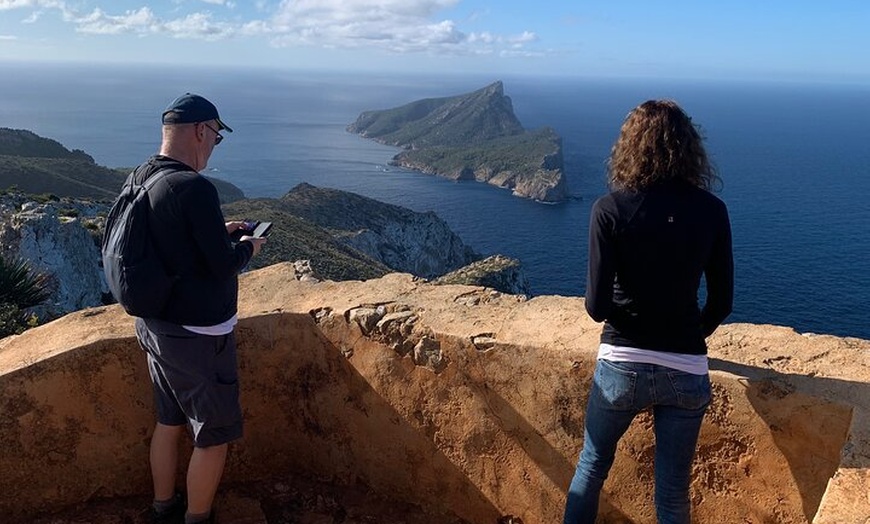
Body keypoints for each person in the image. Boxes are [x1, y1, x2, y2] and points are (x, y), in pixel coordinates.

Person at [563, 100, 733, 524]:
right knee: (672, 495)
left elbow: (596, 307)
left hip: (621, 364)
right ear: (689, 147)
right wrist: (687, 334)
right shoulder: (712, 211)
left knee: (591, 467)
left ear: (630, 147)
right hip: (686, 367)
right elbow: (721, 303)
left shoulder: (609, 210)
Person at [130, 93, 266, 524]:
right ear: (201, 131)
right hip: (198, 338)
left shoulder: (145, 175)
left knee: (169, 422)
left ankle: (163, 508)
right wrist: (248, 247)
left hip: (156, 326)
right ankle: (198, 518)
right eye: (216, 138)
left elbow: (169, 239)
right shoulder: (194, 187)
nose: (214, 147)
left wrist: (217, 229)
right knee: (212, 436)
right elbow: (223, 264)